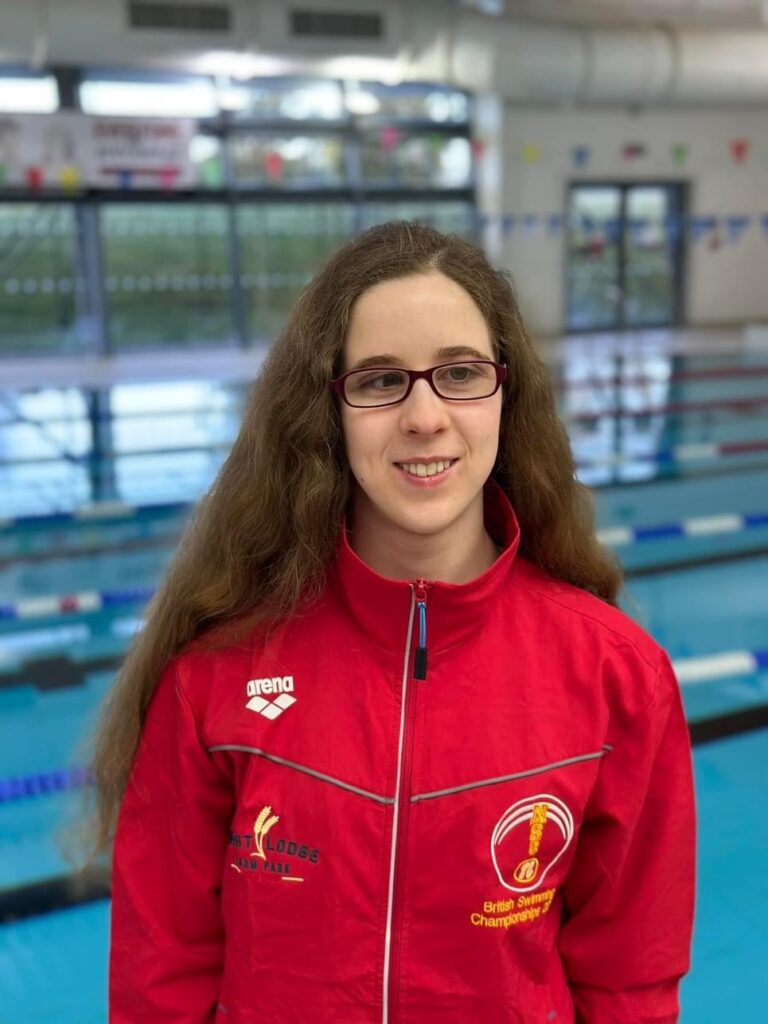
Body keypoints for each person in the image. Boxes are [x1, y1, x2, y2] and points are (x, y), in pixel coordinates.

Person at [94, 220, 696, 1023]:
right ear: (328, 411)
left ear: (504, 394)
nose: (424, 416)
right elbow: (158, 979)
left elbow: (630, 981)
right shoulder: (219, 671)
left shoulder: (617, 674)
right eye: (381, 381)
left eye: (459, 373)